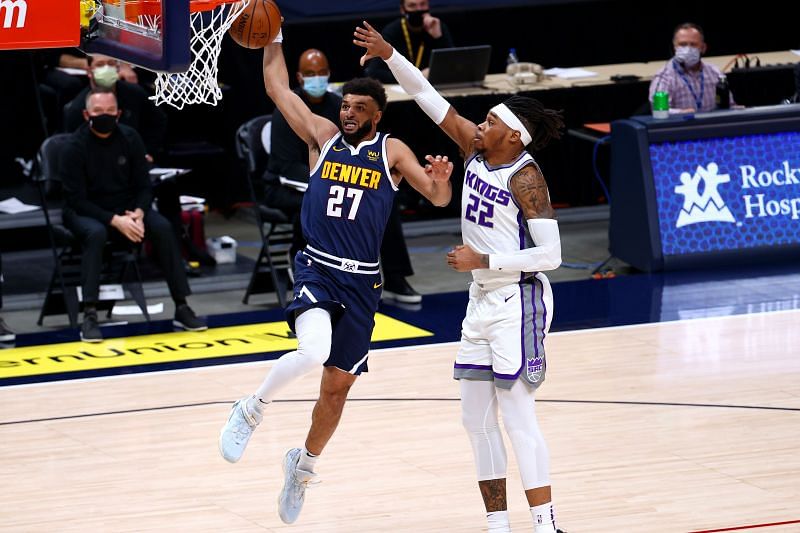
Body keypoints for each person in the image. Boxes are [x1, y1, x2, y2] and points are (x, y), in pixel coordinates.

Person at [218, 31, 453, 525]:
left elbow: (436, 198)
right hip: (316, 266)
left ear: (377, 114)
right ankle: (251, 408)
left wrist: (442, 179)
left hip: (363, 282)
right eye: (345, 105)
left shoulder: (391, 152)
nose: (347, 113)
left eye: (358, 107)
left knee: (335, 389)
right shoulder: (321, 137)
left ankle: (302, 467)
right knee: (313, 350)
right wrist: (273, 39)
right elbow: (278, 89)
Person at [355, 22, 565, 533]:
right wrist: (389, 55)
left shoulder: (526, 177)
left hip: (519, 300)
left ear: (512, 134)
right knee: (474, 420)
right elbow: (428, 95)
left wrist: (485, 262)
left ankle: (546, 523)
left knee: (517, 419)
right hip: (482, 302)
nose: (480, 124)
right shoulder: (475, 149)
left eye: (491, 119)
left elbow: (552, 255)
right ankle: (498, 524)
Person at [264, 48, 423, 303]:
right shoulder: (292, 115)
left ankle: (394, 276)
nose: (349, 112)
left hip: (341, 179)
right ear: (299, 77)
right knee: (321, 200)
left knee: (382, 201)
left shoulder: (338, 105)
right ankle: (305, 264)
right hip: (286, 184)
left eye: (321, 73)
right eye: (309, 74)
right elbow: (285, 166)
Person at [60, 88, 207, 342]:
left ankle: (182, 306)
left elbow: (144, 186)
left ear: (118, 114)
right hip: (85, 211)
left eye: (109, 111)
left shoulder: (130, 138)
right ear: (86, 114)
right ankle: (90, 315)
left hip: (128, 208)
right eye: (98, 112)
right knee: (95, 234)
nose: (104, 115)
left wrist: (138, 213)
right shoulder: (74, 147)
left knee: (161, 226)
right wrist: (115, 221)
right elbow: (76, 200)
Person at [648, 22, 734, 114]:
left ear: (703, 48)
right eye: (682, 44)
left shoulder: (715, 73)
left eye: (693, 44)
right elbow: (659, 111)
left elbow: (729, 105)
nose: (688, 49)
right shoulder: (664, 77)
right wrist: (682, 113)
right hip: (681, 126)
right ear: (675, 48)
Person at [363, 0, 454, 84]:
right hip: (405, 90)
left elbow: (453, 66)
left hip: (432, 88)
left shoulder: (438, 26)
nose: (419, 9)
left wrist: (438, 38)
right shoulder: (393, 31)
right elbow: (372, 72)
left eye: (423, 4)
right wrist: (416, 77)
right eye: (412, 5)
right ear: (403, 9)